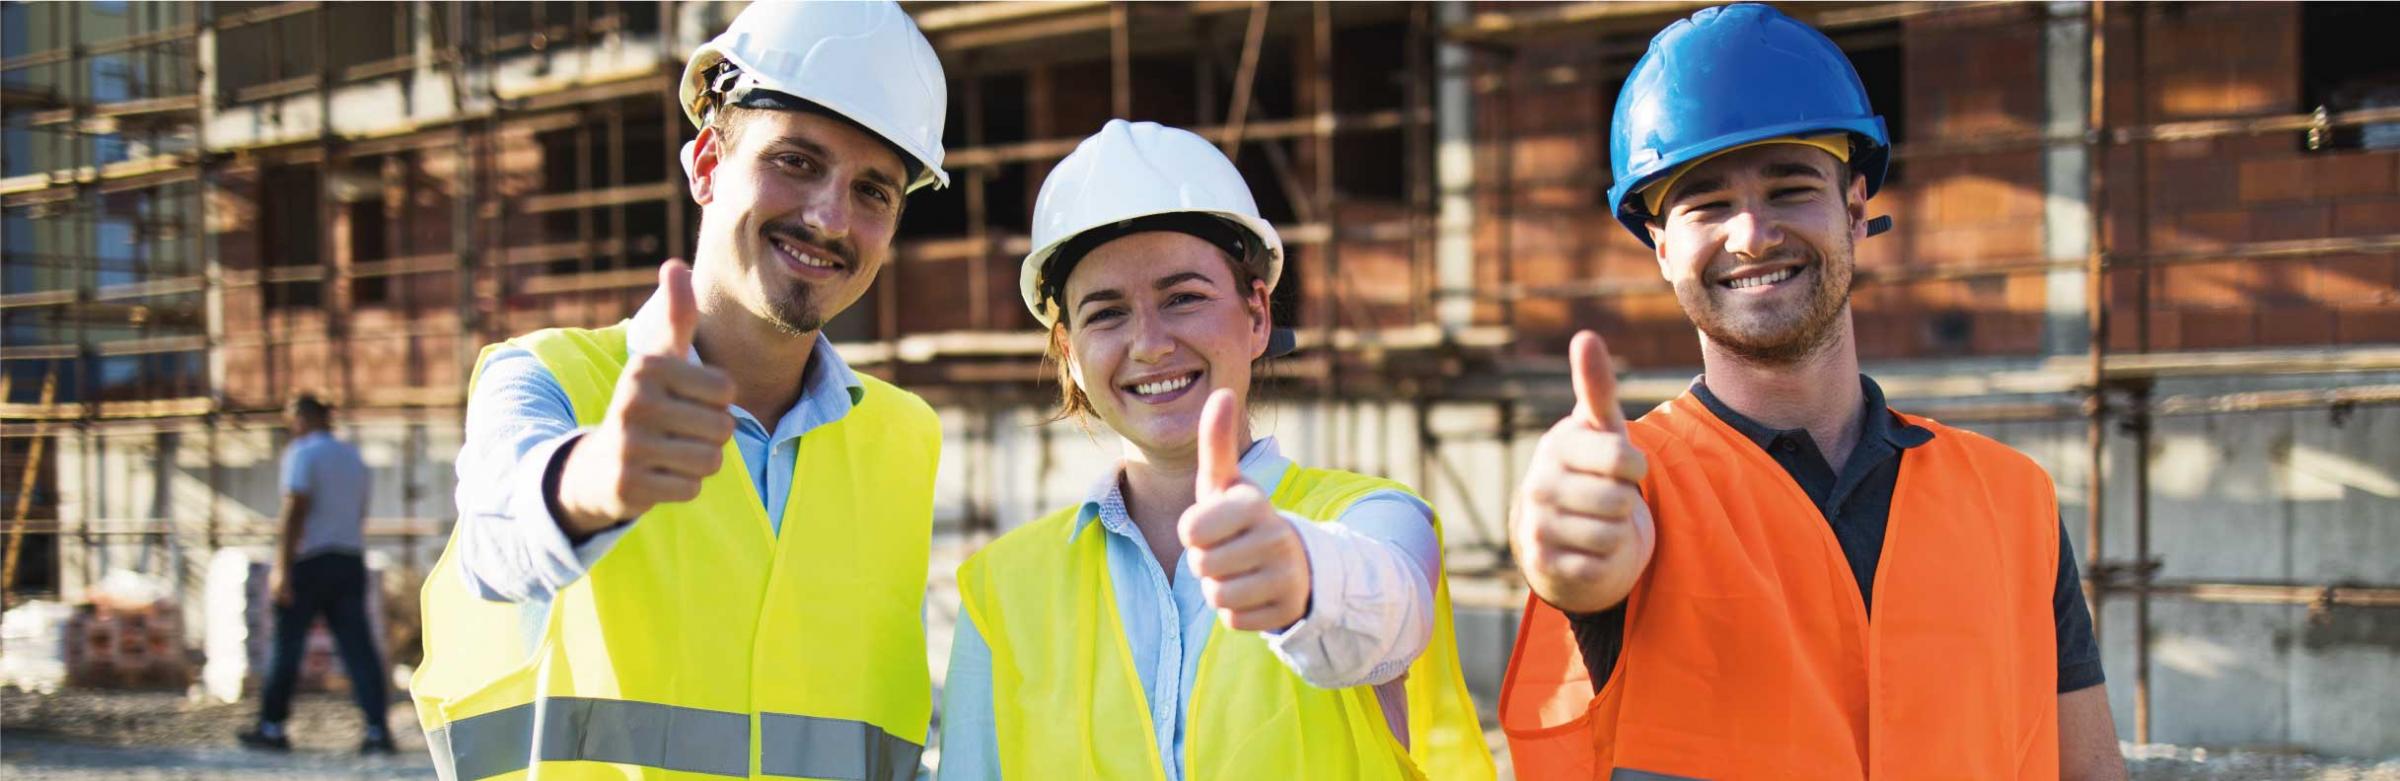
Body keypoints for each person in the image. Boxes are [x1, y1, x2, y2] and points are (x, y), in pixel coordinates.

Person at [1498, 5, 2126, 779]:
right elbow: (1571, 563)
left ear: (1856, 209)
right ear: (1661, 247)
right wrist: (1561, 552)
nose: (1752, 234)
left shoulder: (2012, 500)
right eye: (1707, 204)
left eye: (1791, 188)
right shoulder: (1631, 491)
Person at [408, 2, 951, 778]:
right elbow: (499, 537)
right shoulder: (549, 376)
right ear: (705, 166)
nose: (830, 216)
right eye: (795, 161)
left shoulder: (906, 437)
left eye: (874, 191)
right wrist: (593, 482)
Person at [938, 120, 1494, 780]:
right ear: (1069, 352)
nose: (1149, 343)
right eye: (1106, 313)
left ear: (1257, 315)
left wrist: (1306, 582)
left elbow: (1388, 615)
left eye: (1184, 297)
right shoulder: (1003, 590)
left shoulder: (1375, 518)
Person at [237, 393, 393, 755]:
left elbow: (295, 507)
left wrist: (282, 567)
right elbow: (359, 511)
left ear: (304, 418)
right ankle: (377, 730)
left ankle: (272, 727)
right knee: (359, 649)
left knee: (287, 646)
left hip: (309, 561)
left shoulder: (303, 454)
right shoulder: (353, 458)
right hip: (349, 559)